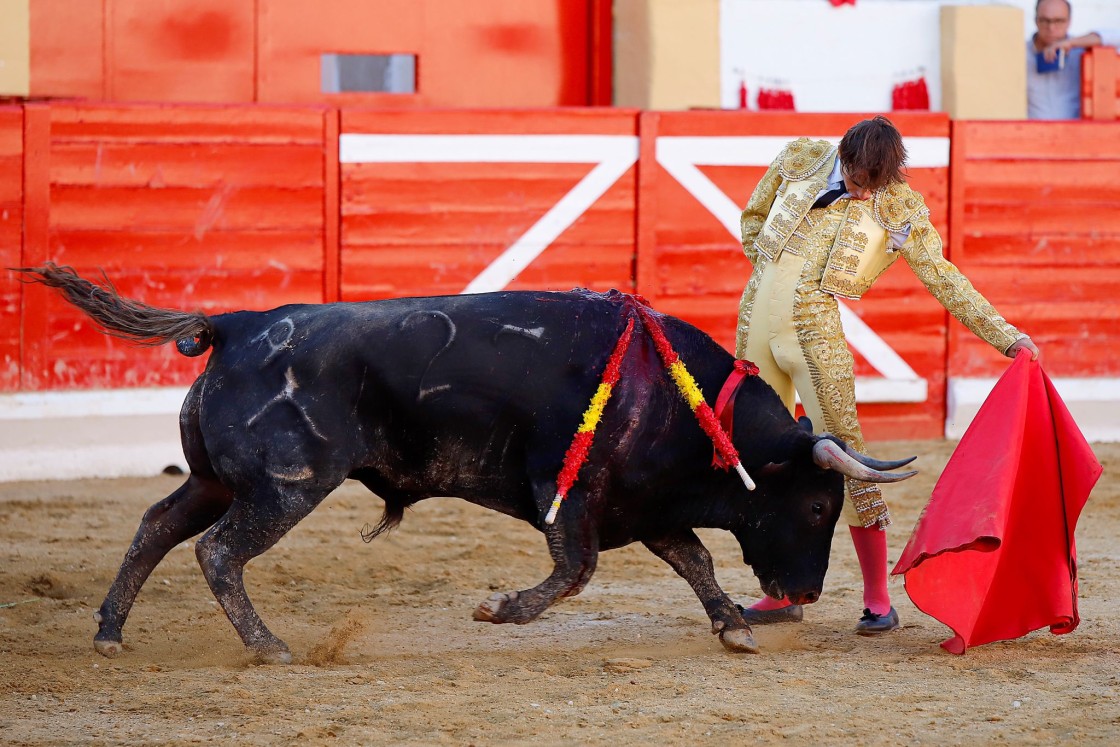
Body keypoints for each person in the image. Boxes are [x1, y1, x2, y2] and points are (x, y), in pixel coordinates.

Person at [733, 115, 1039, 635]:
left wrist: (1005, 335)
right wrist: (771, 271)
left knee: (850, 457)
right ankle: (780, 592)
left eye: (872, 184)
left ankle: (878, 600)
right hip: (754, 324)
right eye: (855, 179)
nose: (860, 191)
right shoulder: (799, 158)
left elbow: (944, 277)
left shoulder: (898, 205)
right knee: (762, 461)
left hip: (814, 334)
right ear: (844, 157)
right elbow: (753, 219)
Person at [1028, 0, 1120, 119]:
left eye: (1059, 21)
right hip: (1030, 132)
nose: (1051, 27)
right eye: (1045, 20)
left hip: (1074, 132)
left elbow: (1116, 38)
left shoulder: (1079, 51)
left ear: (1069, 21)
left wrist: (1072, 43)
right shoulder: (1020, 53)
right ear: (1036, 20)